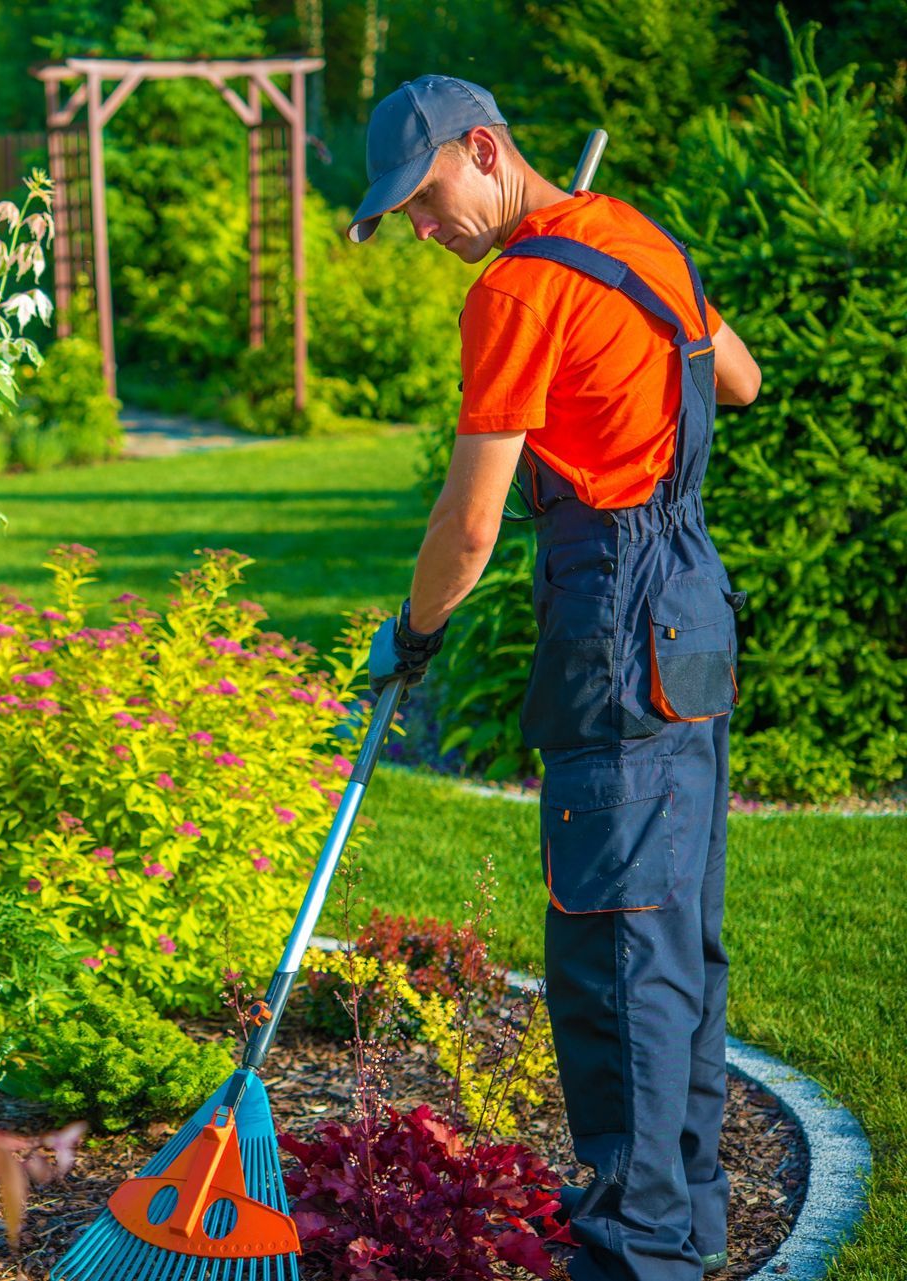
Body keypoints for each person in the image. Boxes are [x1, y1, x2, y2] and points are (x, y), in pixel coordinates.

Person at [354, 76, 762, 1281]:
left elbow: (471, 529)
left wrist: (415, 636)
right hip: (690, 599)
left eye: (427, 202)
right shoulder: (630, 235)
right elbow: (737, 380)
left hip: (613, 615)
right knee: (675, 933)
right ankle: (684, 1227)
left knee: (615, 954)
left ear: (486, 150)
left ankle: (637, 1256)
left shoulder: (519, 290)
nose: (426, 235)